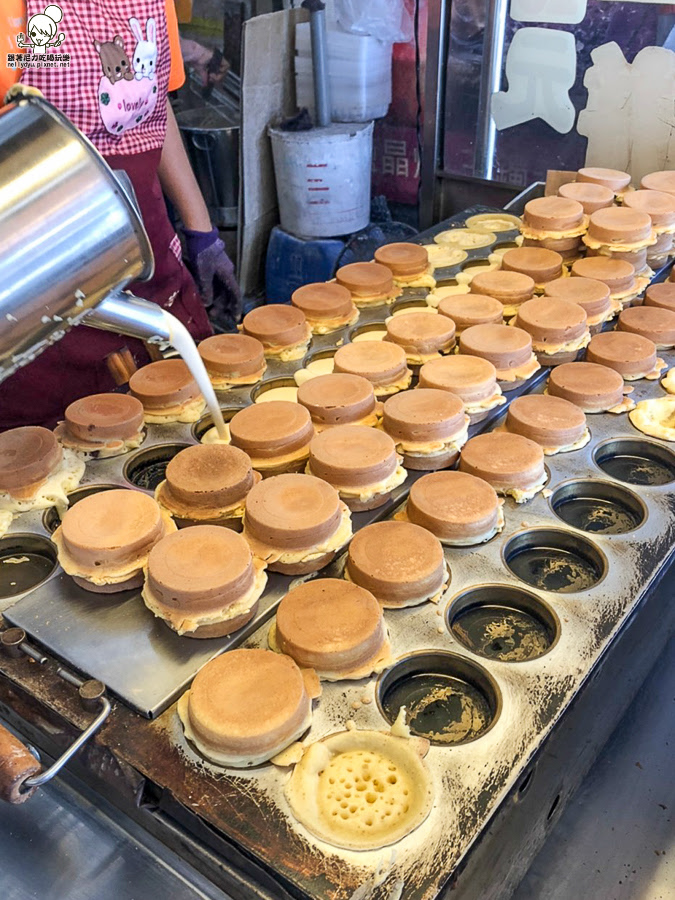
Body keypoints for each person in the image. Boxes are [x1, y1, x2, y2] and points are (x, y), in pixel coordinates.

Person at [0, 1, 241, 430]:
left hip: (147, 255)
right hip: (38, 281)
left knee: (189, 424)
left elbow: (153, 102)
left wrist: (202, 231)